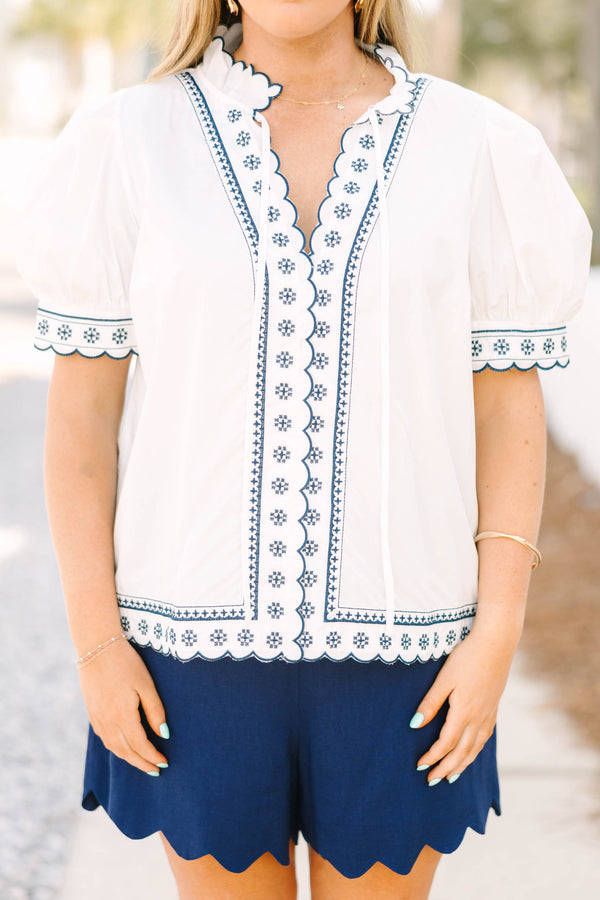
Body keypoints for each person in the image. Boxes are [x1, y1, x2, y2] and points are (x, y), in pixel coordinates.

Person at [15, 1, 592, 898]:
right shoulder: (127, 142)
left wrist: (497, 636)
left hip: (412, 658)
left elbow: (504, 410)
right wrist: (98, 645)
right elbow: (82, 422)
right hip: (189, 655)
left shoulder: (479, 147)